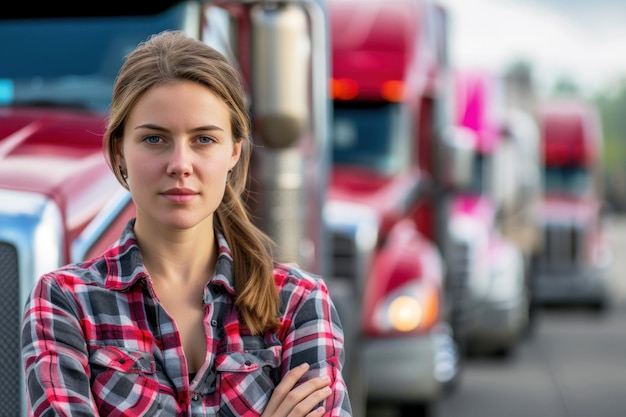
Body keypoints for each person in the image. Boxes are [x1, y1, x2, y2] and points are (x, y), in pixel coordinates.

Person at [21, 30, 352, 417]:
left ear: (234, 152)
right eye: (155, 139)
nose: (180, 163)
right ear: (119, 152)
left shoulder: (299, 302)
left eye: (204, 140)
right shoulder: (64, 302)